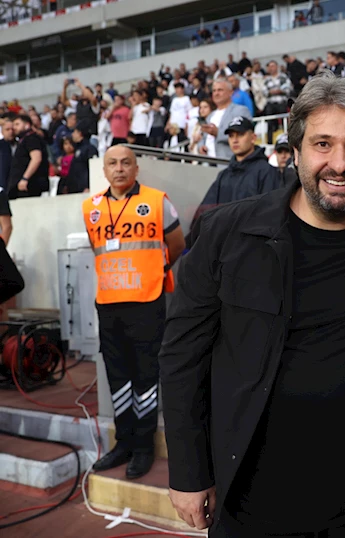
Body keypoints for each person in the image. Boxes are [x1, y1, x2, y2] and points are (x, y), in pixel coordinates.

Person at [160, 71, 345, 536]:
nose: (339, 164)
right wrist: (188, 471)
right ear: (296, 150)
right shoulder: (226, 234)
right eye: (323, 144)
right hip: (247, 502)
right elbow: (183, 355)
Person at [86, 146, 185, 479]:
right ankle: (124, 442)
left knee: (145, 376)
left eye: (126, 162)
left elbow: (177, 244)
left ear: (136, 168)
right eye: (112, 163)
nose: (119, 168)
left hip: (146, 303)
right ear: (104, 170)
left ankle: (143, 447)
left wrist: (157, 270)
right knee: (117, 377)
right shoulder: (91, 208)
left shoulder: (157, 201)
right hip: (108, 304)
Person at [188, 116, 282, 239]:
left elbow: (270, 217)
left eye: (240, 134)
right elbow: (205, 214)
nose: (235, 140)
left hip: (251, 246)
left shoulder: (267, 172)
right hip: (222, 245)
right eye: (231, 136)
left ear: (253, 138)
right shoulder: (224, 175)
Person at [200, 79, 252, 160]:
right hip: (208, 162)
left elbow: (245, 136)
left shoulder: (240, 110)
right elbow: (204, 137)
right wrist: (201, 146)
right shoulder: (210, 116)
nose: (216, 93)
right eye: (214, 91)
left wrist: (218, 133)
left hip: (228, 162)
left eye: (220, 90)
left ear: (231, 92)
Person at [8, 114, 49, 199]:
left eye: (17, 124)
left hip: (30, 185)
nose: (14, 127)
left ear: (27, 125)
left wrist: (25, 178)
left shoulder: (31, 138)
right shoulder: (23, 140)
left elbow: (36, 159)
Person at [58, 121, 98, 194]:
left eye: (74, 132)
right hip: (74, 189)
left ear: (80, 133)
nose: (72, 134)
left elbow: (92, 169)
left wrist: (88, 186)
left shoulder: (89, 149)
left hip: (83, 189)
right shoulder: (77, 149)